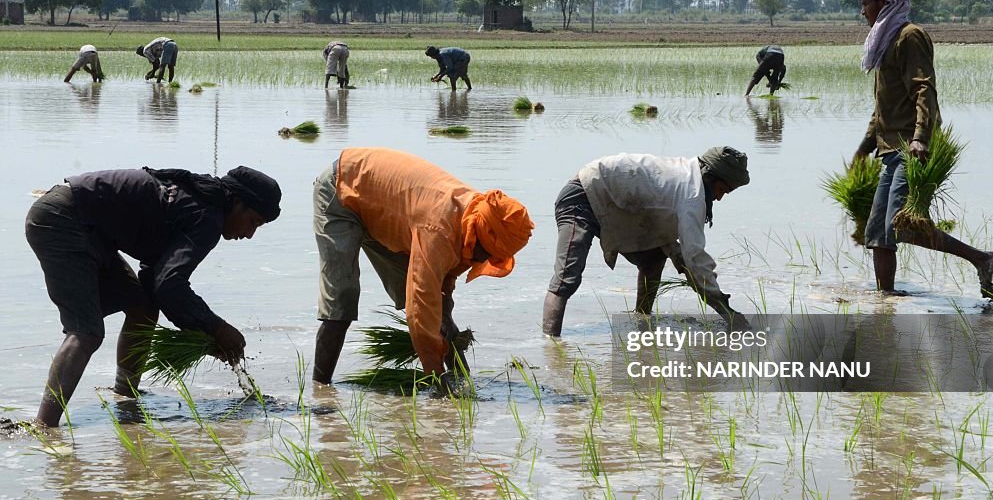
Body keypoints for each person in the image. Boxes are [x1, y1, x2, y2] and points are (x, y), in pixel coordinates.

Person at [25, 165, 281, 427]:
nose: (249, 234)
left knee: (143, 307)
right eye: (253, 222)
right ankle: (44, 426)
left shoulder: (198, 205)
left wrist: (205, 331)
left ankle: (125, 394)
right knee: (86, 332)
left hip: (86, 226)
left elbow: (156, 278)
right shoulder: (207, 216)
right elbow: (169, 285)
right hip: (62, 220)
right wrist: (217, 328)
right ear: (236, 202)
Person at [313, 148, 533, 386]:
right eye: (486, 253)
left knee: (438, 309)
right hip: (342, 190)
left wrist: (445, 302)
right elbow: (420, 310)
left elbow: (445, 278)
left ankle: (462, 377)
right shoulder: (440, 229)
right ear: (478, 236)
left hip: (380, 205)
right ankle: (320, 392)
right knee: (341, 301)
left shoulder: (472, 216)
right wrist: (435, 377)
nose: (483, 261)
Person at [852, 0, 993, 297]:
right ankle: (886, 300)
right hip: (890, 149)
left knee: (903, 226)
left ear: (885, 2)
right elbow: (882, 107)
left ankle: (982, 258)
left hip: (911, 147)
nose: (862, 11)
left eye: (866, 4)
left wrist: (920, 136)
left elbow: (924, 90)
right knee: (879, 233)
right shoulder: (884, 40)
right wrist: (863, 149)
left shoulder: (909, 36)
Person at [542, 148, 751, 337]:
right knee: (567, 277)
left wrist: (724, 311)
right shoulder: (692, 195)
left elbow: (677, 247)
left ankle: (642, 320)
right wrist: (726, 311)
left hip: (619, 207)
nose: (719, 198)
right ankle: (550, 345)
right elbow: (695, 258)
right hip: (582, 197)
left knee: (654, 258)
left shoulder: (686, 178)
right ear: (710, 177)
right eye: (721, 190)